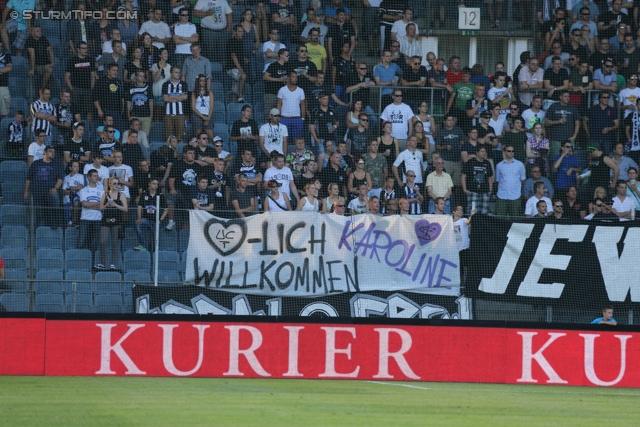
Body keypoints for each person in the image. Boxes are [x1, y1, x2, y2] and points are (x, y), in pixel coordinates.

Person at [25, 145, 64, 229]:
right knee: (39, 212)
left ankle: (54, 224)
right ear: (44, 152)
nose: (52, 153)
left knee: (54, 200)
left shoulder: (57, 164)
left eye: (53, 152)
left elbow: (60, 178)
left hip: (50, 191)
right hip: (37, 192)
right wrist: (26, 191)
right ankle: (37, 229)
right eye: (50, 151)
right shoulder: (36, 163)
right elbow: (29, 178)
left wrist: (55, 188)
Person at [96, 176, 128, 270]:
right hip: (105, 220)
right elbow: (101, 208)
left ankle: (113, 263)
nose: (116, 185)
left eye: (118, 183)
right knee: (103, 241)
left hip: (117, 221)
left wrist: (115, 205)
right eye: (114, 183)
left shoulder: (121, 195)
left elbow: (125, 209)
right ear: (110, 185)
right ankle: (103, 263)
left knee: (115, 242)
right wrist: (106, 205)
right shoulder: (105, 194)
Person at [135, 177, 169, 252]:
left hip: (156, 221)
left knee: (156, 238)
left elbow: (166, 210)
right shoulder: (144, 194)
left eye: (157, 184)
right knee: (139, 224)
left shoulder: (160, 195)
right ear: (149, 184)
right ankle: (143, 245)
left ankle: (157, 251)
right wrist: (139, 218)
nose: (155, 185)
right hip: (146, 219)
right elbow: (139, 207)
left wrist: (160, 220)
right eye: (154, 184)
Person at [495, 143, 526, 217]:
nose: (511, 153)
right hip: (502, 195)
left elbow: (522, 179)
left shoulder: (520, 164)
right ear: (504, 152)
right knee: (500, 220)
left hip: (515, 195)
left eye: (513, 151)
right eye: (509, 151)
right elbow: (497, 180)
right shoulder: (499, 165)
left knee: (515, 220)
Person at [584, 91, 618, 155]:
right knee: (592, 155)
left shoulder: (612, 110)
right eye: (604, 97)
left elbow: (617, 125)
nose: (606, 99)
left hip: (607, 138)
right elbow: (584, 121)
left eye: (608, 98)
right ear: (600, 99)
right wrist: (587, 132)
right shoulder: (592, 109)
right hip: (594, 137)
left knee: (606, 156)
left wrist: (609, 129)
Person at [78, 169, 104, 252]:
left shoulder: (102, 191)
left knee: (94, 244)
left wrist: (90, 204)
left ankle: (92, 263)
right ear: (89, 177)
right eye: (94, 176)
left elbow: (102, 206)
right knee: (81, 242)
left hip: (97, 219)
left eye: (97, 176)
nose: (97, 177)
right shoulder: (83, 190)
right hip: (85, 219)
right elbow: (84, 204)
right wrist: (97, 203)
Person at [162, 67, 188, 143]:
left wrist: (171, 97)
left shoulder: (183, 84)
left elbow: (185, 97)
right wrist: (179, 97)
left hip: (180, 114)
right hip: (168, 114)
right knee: (168, 137)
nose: (178, 74)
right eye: (176, 72)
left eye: (179, 72)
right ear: (171, 73)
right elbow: (165, 99)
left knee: (180, 136)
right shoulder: (166, 84)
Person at [191, 74, 215, 141]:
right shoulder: (194, 93)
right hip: (197, 115)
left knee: (210, 136)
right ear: (198, 82)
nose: (203, 82)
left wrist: (208, 118)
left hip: (208, 115)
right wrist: (203, 117)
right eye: (201, 81)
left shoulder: (210, 92)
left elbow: (211, 106)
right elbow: (193, 107)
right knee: (198, 136)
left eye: (204, 81)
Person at [62, 160, 84, 228]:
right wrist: (71, 190)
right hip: (67, 198)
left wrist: (71, 188)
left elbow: (80, 186)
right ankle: (68, 225)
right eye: (74, 166)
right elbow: (64, 190)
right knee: (67, 213)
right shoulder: (66, 178)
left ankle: (75, 221)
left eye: (78, 166)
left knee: (76, 202)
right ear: (70, 168)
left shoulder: (80, 176)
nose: (77, 168)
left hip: (77, 197)